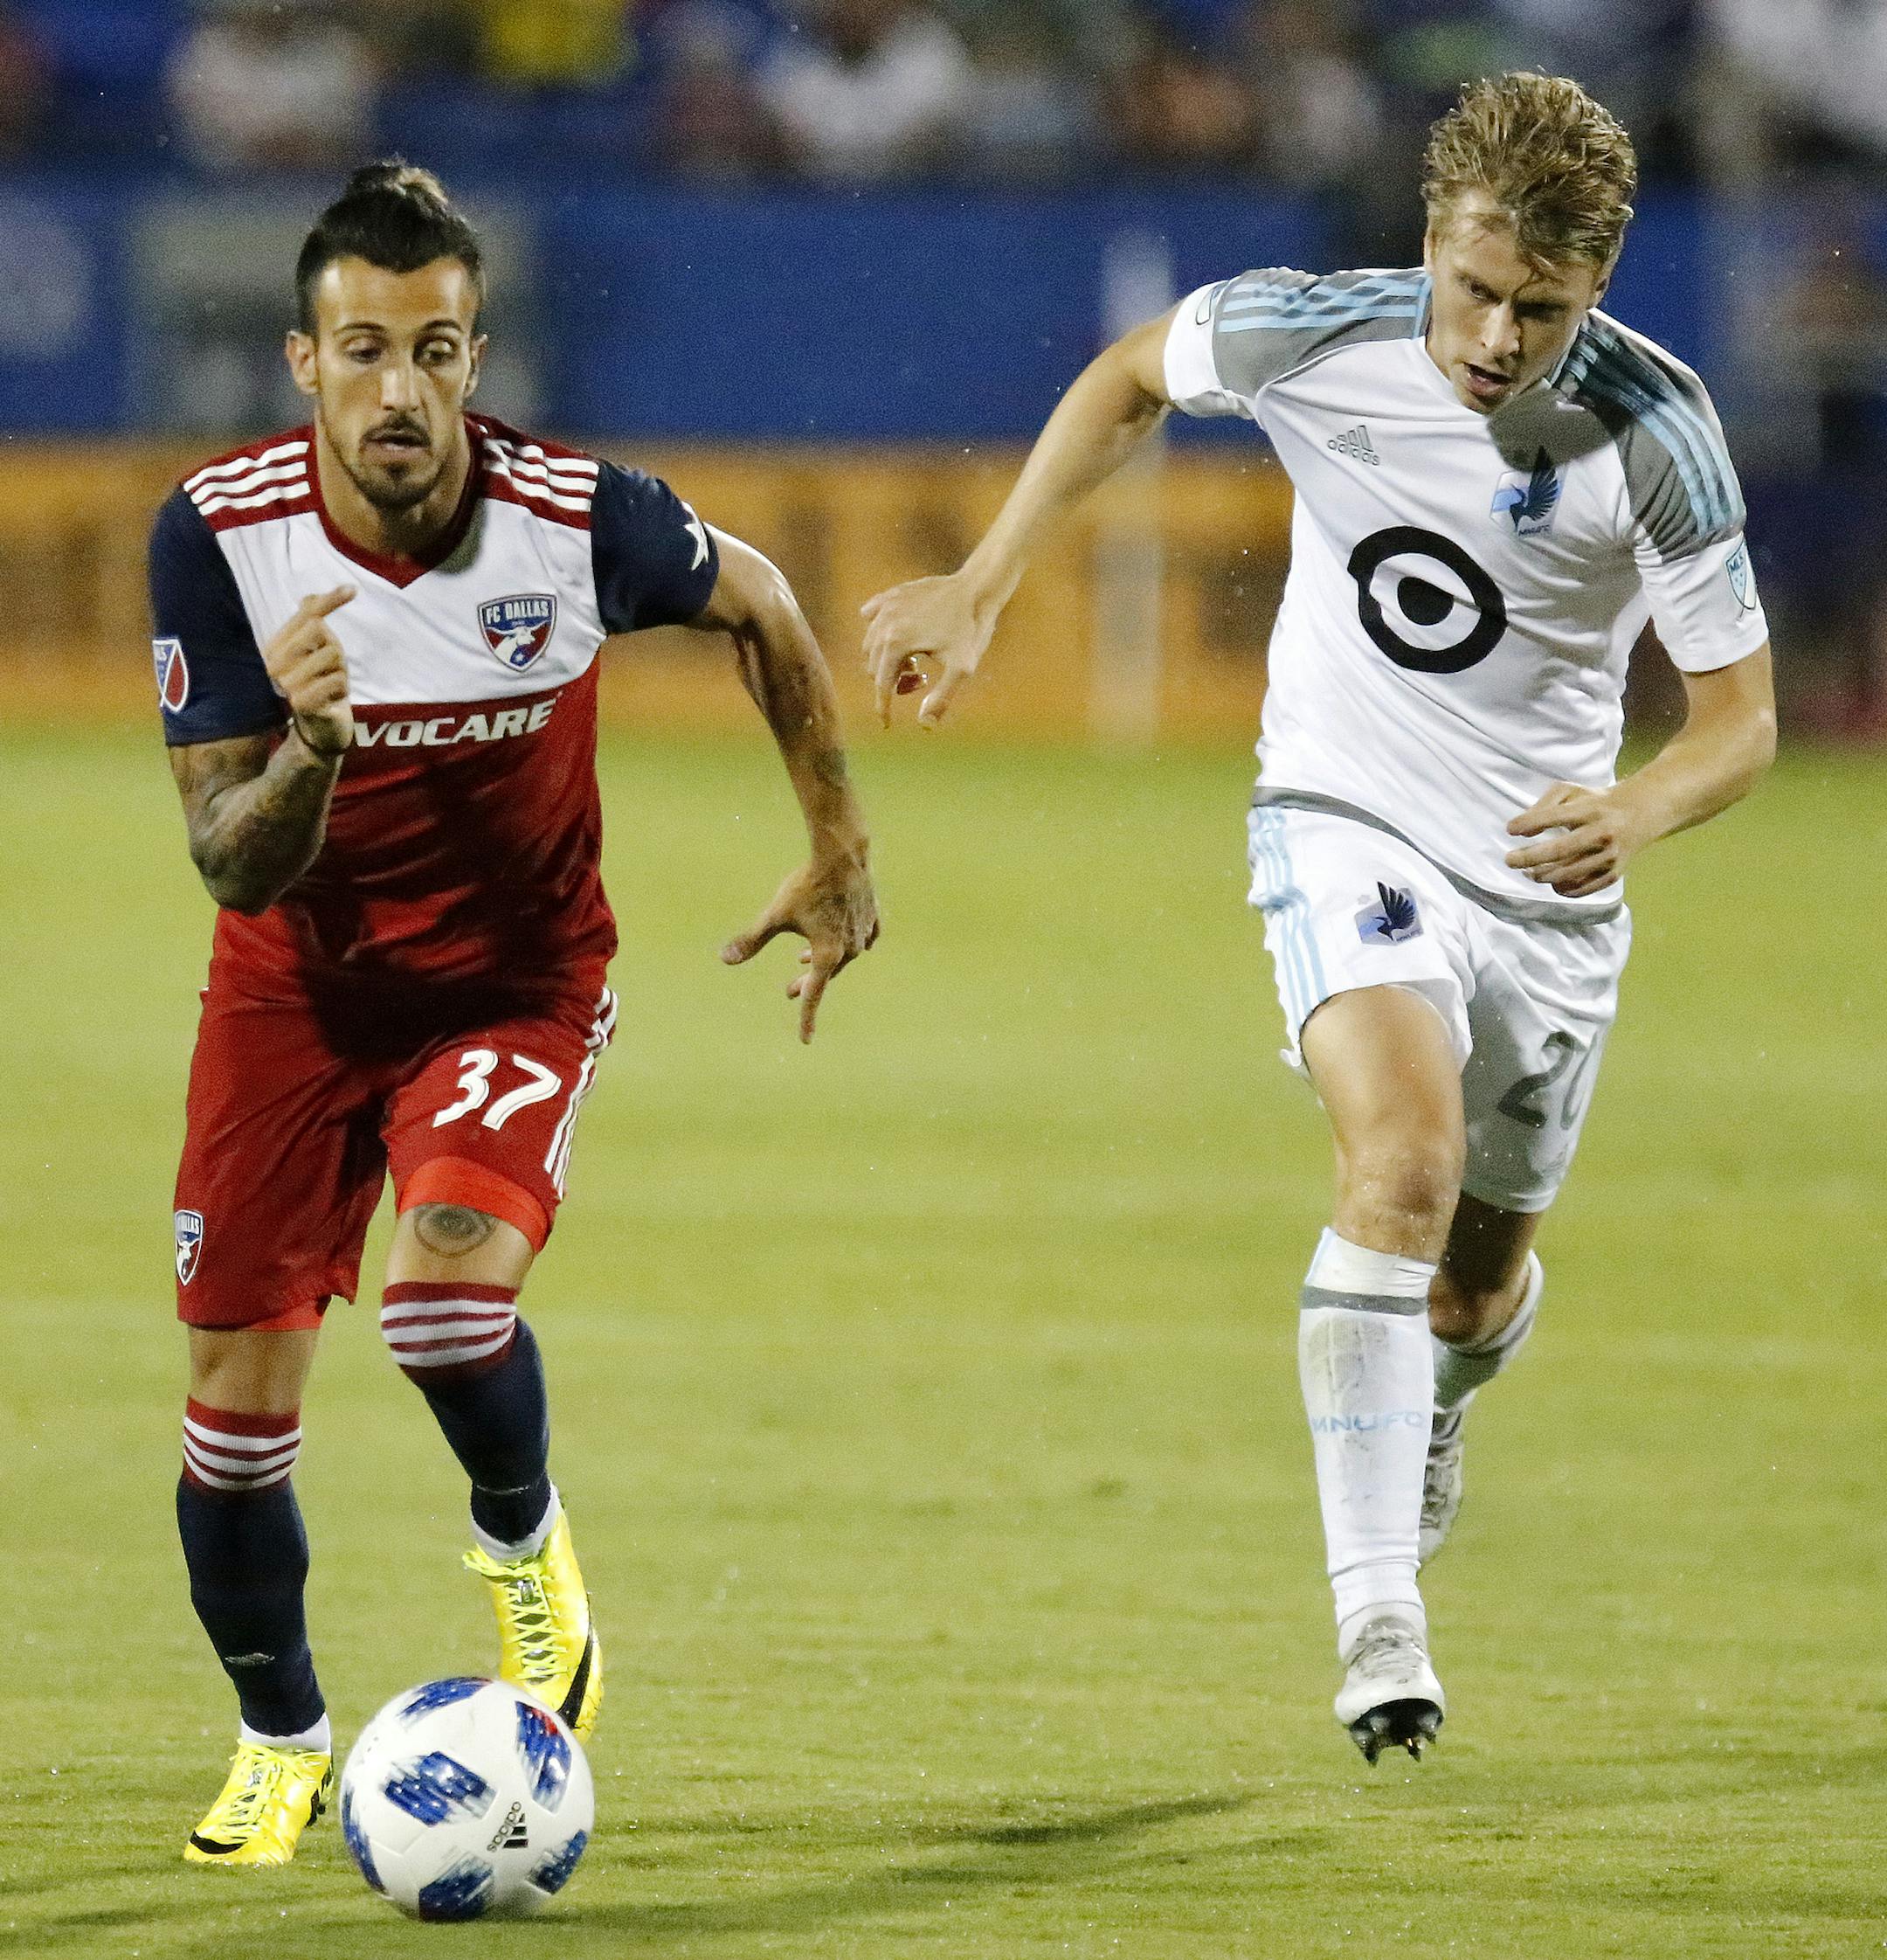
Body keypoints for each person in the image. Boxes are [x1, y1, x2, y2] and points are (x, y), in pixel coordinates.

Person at [861, 72, 1774, 1763]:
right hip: (1345, 808)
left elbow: (1741, 718)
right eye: (1476, 289)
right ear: (1432, 239)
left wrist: (1636, 808)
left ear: (1605, 284)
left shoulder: (1656, 429)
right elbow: (1132, 375)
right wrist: (986, 581)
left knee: (1477, 1278)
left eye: (1544, 310)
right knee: (1398, 1167)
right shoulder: (1313, 332)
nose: (1497, 337)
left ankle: (1442, 1394)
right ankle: (1380, 1626)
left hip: (1551, 873)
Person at [150, 162, 877, 1866]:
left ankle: (525, 1553)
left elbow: (760, 603)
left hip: (513, 986)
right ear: (301, 362)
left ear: (477, 358)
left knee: (442, 1313)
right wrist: (312, 751)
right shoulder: (222, 533)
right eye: (362, 351)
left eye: (436, 349)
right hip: (294, 998)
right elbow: (228, 868)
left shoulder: (574, 517)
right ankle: (278, 1739)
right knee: (231, 1433)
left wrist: (838, 844)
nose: (398, 391)